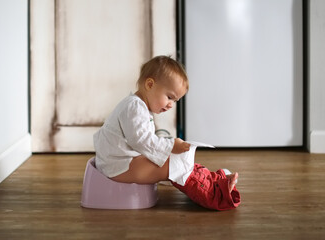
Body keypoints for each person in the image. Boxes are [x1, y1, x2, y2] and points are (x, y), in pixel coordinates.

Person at [93, 56, 240, 210]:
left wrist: (170, 147)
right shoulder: (135, 107)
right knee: (174, 164)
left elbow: (140, 141)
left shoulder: (138, 106)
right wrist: (170, 146)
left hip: (122, 162)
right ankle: (216, 194)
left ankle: (213, 180)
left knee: (177, 160)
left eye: (175, 101)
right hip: (118, 166)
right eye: (169, 97)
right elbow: (141, 141)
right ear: (150, 84)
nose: (171, 104)